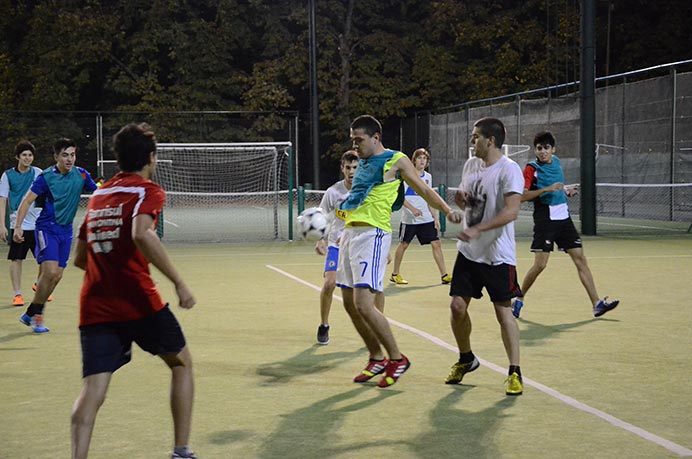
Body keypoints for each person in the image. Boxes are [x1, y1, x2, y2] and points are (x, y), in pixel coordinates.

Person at [70, 123, 198, 459]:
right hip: (139, 301)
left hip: (95, 304)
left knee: (93, 389)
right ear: (151, 158)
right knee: (181, 362)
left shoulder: (98, 195)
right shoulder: (147, 191)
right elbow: (142, 234)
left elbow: (80, 258)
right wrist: (179, 283)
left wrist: (108, 265)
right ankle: (181, 451)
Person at [336, 114, 461, 388]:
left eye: (359, 140)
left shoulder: (396, 160)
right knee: (348, 303)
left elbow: (424, 190)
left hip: (373, 234)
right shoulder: (364, 163)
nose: (355, 146)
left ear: (376, 137)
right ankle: (376, 357)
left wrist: (447, 211)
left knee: (364, 305)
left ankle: (397, 358)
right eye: (353, 141)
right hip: (350, 233)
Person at [444, 117, 525, 396]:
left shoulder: (509, 170)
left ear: (490, 141)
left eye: (475, 136)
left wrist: (479, 228)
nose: (471, 140)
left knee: (503, 312)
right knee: (456, 307)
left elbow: (511, 211)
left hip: (497, 255)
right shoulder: (471, 165)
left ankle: (514, 372)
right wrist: (462, 203)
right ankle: (466, 358)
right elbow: (471, 198)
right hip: (469, 252)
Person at [511, 131, 619, 319]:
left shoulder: (558, 162)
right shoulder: (531, 168)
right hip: (545, 219)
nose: (543, 152)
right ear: (535, 150)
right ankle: (518, 299)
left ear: (553, 149)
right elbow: (522, 197)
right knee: (540, 265)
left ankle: (596, 304)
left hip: (564, 218)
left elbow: (557, 187)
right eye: (539, 148)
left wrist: (565, 191)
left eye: (546, 148)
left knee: (580, 259)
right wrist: (546, 189)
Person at [14, 138, 98, 333]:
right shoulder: (45, 177)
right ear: (56, 156)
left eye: (72, 155)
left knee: (57, 276)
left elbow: (99, 193)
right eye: (65, 155)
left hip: (66, 231)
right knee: (50, 272)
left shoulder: (82, 175)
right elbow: (26, 202)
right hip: (46, 228)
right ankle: (38, 317)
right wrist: (18, 227)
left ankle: (31, 312)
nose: (70, 159)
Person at [314, 150, 359, 345]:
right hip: (335, 244)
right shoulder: (333, 192)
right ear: (342, 168)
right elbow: (321, 215)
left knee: (367, 290)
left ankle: (371, 329)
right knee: (329, 284)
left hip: (358, 245)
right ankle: (324, 325)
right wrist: (320, 238)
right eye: (348, 167)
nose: (351, 171)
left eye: (355, 168)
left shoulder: (366, 190)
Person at [390, 148, 452, 285]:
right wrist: (412, 209)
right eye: (419, 158)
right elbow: (400, 198)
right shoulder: (407, 176)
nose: (422, 160)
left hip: (426, 219)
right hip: (409, 220)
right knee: (404, 244)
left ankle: (444, 275)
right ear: (414, 160)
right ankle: (395, 274)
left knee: (436, 243)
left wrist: (435, 218)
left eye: (424, 158)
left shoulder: (428, 177)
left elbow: (429, 197)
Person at [0, 140, 43, 306]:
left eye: (30, 155)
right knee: (16, 259)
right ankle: (17, 294)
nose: (27, 158)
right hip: (17, 225)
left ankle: (40, 285)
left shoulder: (38, 173)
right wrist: (2, 225)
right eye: (24, 155)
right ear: (17, 157)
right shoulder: (7, 176)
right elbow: (2, 200)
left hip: (38, 223)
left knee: (45, 259)